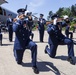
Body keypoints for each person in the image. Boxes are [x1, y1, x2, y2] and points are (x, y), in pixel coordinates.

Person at [13, 9, 39, 74]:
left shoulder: (26, 22)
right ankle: (15, 51)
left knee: (34, 45)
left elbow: (31, 24)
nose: (23, 15)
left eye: (24, 14)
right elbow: (15, 29)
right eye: (21, 14)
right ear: (18, 15)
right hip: (19, 43)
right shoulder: (16, 22)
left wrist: (30, 18)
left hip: (27, 41)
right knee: (19, 62)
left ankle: (34, 65)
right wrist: (19, 20)